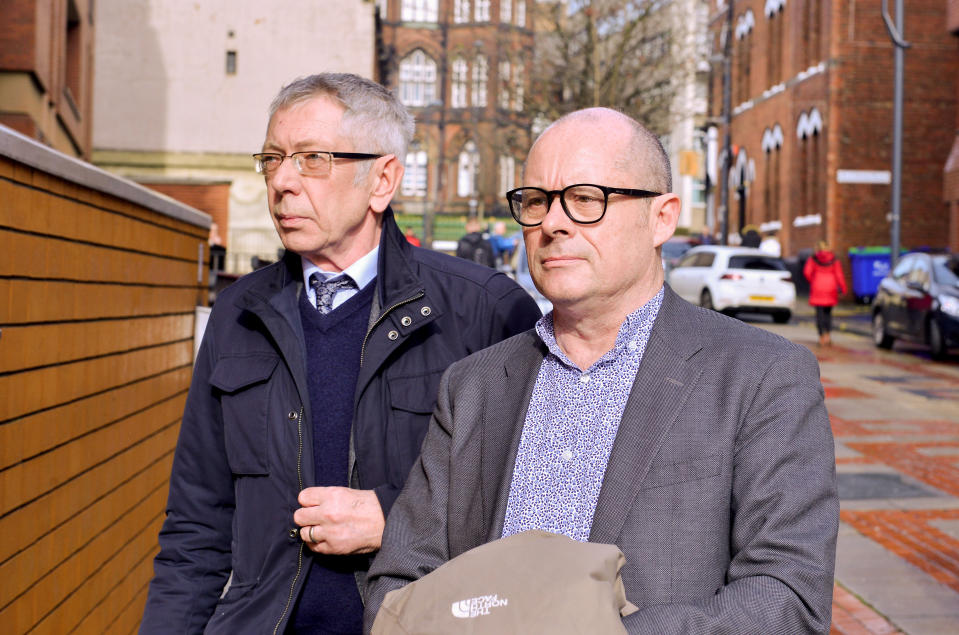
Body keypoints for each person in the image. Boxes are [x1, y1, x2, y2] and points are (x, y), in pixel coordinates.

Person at [365, 107, 838, 633]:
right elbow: (400, 579)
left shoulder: (762, 376)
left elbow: (787, 598)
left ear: (662, 217)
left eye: (586, 199)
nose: (552, 223)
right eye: (537, 201)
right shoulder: (472, 386)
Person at [139, 73, 541, 634]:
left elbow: (538, 506)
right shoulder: (238, 315)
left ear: (382, 180)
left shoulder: (486, 312)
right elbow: (194, 530)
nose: (281, 181)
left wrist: (398, 520)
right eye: (273, 158)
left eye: (312, 159)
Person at [804, 240, 848, 347]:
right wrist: (843, 288)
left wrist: (813, 280)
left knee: (819, 314)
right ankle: (828, 335)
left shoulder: (813, 258)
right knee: (828, 314)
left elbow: (806, 272)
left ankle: (821, 337)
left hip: (817, 287)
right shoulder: (834, 259)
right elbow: (839, 275)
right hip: (830, 288)